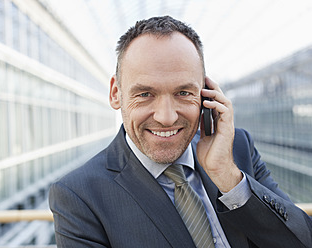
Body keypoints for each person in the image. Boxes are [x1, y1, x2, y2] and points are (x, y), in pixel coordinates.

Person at [49, 16, 312, 248]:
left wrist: (229, 179)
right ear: (116, 93)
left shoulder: (237, 148)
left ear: (206, 94)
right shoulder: (79, 196)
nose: (166, 117)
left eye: (183, 93)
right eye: (145, 94)